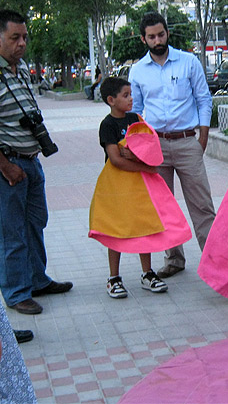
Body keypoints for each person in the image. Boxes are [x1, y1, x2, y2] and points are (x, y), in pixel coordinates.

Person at [0, 9, 73, 315]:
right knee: (11, 231)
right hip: (6, 165)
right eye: (15, 38)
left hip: (30, 160)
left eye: (25, 37)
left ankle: (37, 280)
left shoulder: (21, 68)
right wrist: (3, 165)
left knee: (35, 224)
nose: (22, 43)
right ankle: (15, 292)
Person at [129, 12, 215, 279]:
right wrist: (139, 144)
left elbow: (204, 99)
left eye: (161, 34)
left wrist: (202, 136)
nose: (158, 40)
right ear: (144, 39)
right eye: (152, 36)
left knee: (202, 205)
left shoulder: (188, 62)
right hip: (155, 147)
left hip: (188, 142)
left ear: (167, 33)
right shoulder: (138, 71)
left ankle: (216, 259)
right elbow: (137, 110)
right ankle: (174, 259)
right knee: (163, 207)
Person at [94, 77, 169, 298]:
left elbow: (148, 147)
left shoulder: (136, 119)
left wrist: (137, 157)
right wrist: (143, 166)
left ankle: (147, 273)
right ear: (111, 100)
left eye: (130, 94)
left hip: (138, 185)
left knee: (143, 225)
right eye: (125, 95)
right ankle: (114, 278)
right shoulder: (107, 125)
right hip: (117, 186)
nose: (131, 99)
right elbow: (115, 159)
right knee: (116, 229)